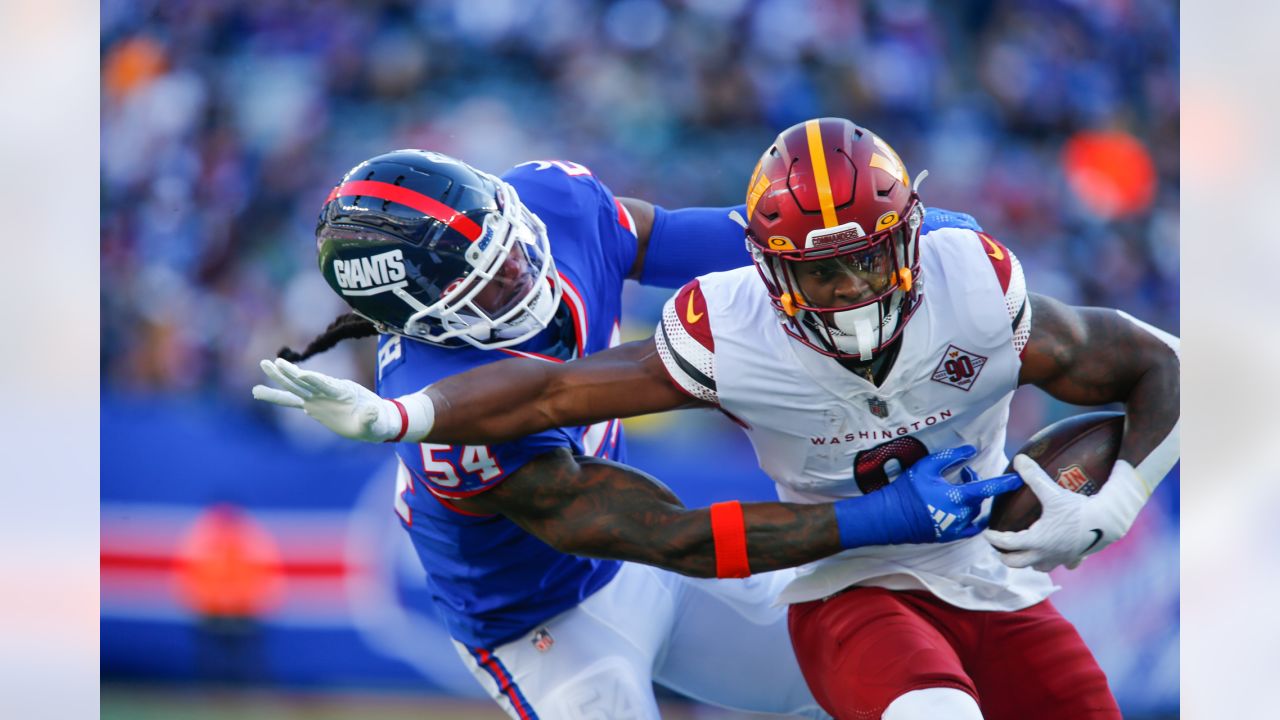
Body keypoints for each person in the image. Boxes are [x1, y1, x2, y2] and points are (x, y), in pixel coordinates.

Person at [256, 119, 1180, 720]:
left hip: (647, 565)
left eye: (511, 246)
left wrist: (853, 238)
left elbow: (660, 236)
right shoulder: (455, 420)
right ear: (421, 318)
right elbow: (665, 533)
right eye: (487, 282)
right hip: (539, 619)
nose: (523, 277)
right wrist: (880, 520)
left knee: (846, 696)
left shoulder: (554, 203)